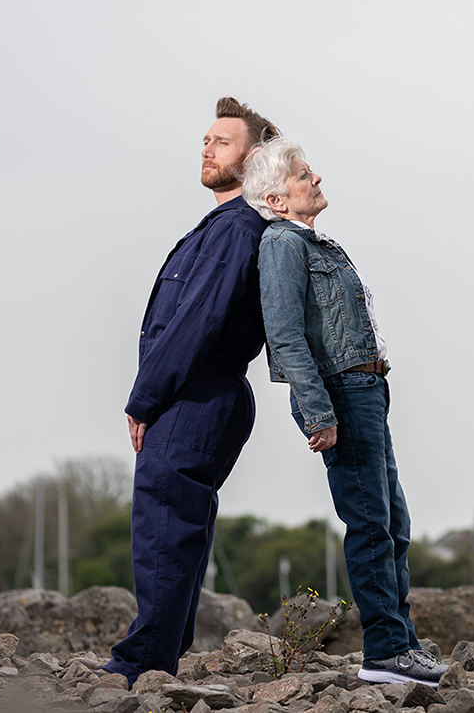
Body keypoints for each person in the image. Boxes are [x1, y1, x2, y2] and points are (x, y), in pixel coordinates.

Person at [242, 137, 447, 688]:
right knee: (370, 523)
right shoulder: (283, 246)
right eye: (305, 175)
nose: (317, 180)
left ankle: (399, 641)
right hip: (341, 394)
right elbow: (283, 337)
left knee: (392, 522)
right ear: (278, 199)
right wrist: (317, 412)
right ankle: (384, 650)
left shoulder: (312, 242)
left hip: (365, 391)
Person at [106, 98, 280, 684]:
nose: (207, 148)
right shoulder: (225, 226)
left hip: (198, 393)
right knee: (177, 525)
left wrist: (144, 397)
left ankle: (142, 662)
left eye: (222, 141)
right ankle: (159, 656)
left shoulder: (236, 228)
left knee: (164, 522)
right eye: (204, 140)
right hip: (202, 393)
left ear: (252, 157)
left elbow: (196, 321)